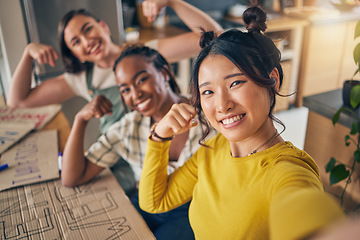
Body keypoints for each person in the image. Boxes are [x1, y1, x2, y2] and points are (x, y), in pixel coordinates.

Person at [138, 6, 346, 240]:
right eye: (208, 91)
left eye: (235, 83)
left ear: (272, 80)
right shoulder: (214, 148)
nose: (221, 105)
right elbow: (154, 201)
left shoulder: (286, 170)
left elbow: (303, 208)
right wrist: (160, 135)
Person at [60, 44, 216, 240]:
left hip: (193, 211)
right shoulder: (129, 127)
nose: (135, 94)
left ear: (165, 73)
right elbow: (72, 178)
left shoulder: (208, 118)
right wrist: (80, 120)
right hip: (145, 205)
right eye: (125, 90)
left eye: (142, 80)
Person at [7, 0, 223, 133]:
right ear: (75, 54)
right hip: (122, 161)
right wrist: (28, 54)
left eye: (88, 29)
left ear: (103, 26)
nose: (86, 41)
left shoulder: (147, 53)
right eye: (76, 42)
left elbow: (216, 38)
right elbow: (18, 102)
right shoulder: (80, 80)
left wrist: (173, 2)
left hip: (170, 147)